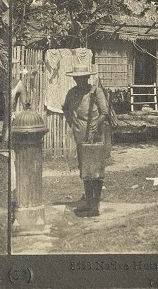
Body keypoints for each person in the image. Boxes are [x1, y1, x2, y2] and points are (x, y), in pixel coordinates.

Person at [62, 61, 112, 217]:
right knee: (84, 168)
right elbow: (66, 109)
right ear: (74, 79)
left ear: (87, 78)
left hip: (95, 133)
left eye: (83, 78)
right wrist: (73, 123)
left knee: (96, 168)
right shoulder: (72, 93)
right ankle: (89, 202)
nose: (80, 81)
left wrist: (96, 124)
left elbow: (105, 113)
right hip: (80, 133)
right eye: (78, 79)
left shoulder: (95, 92)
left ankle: (95, 205)